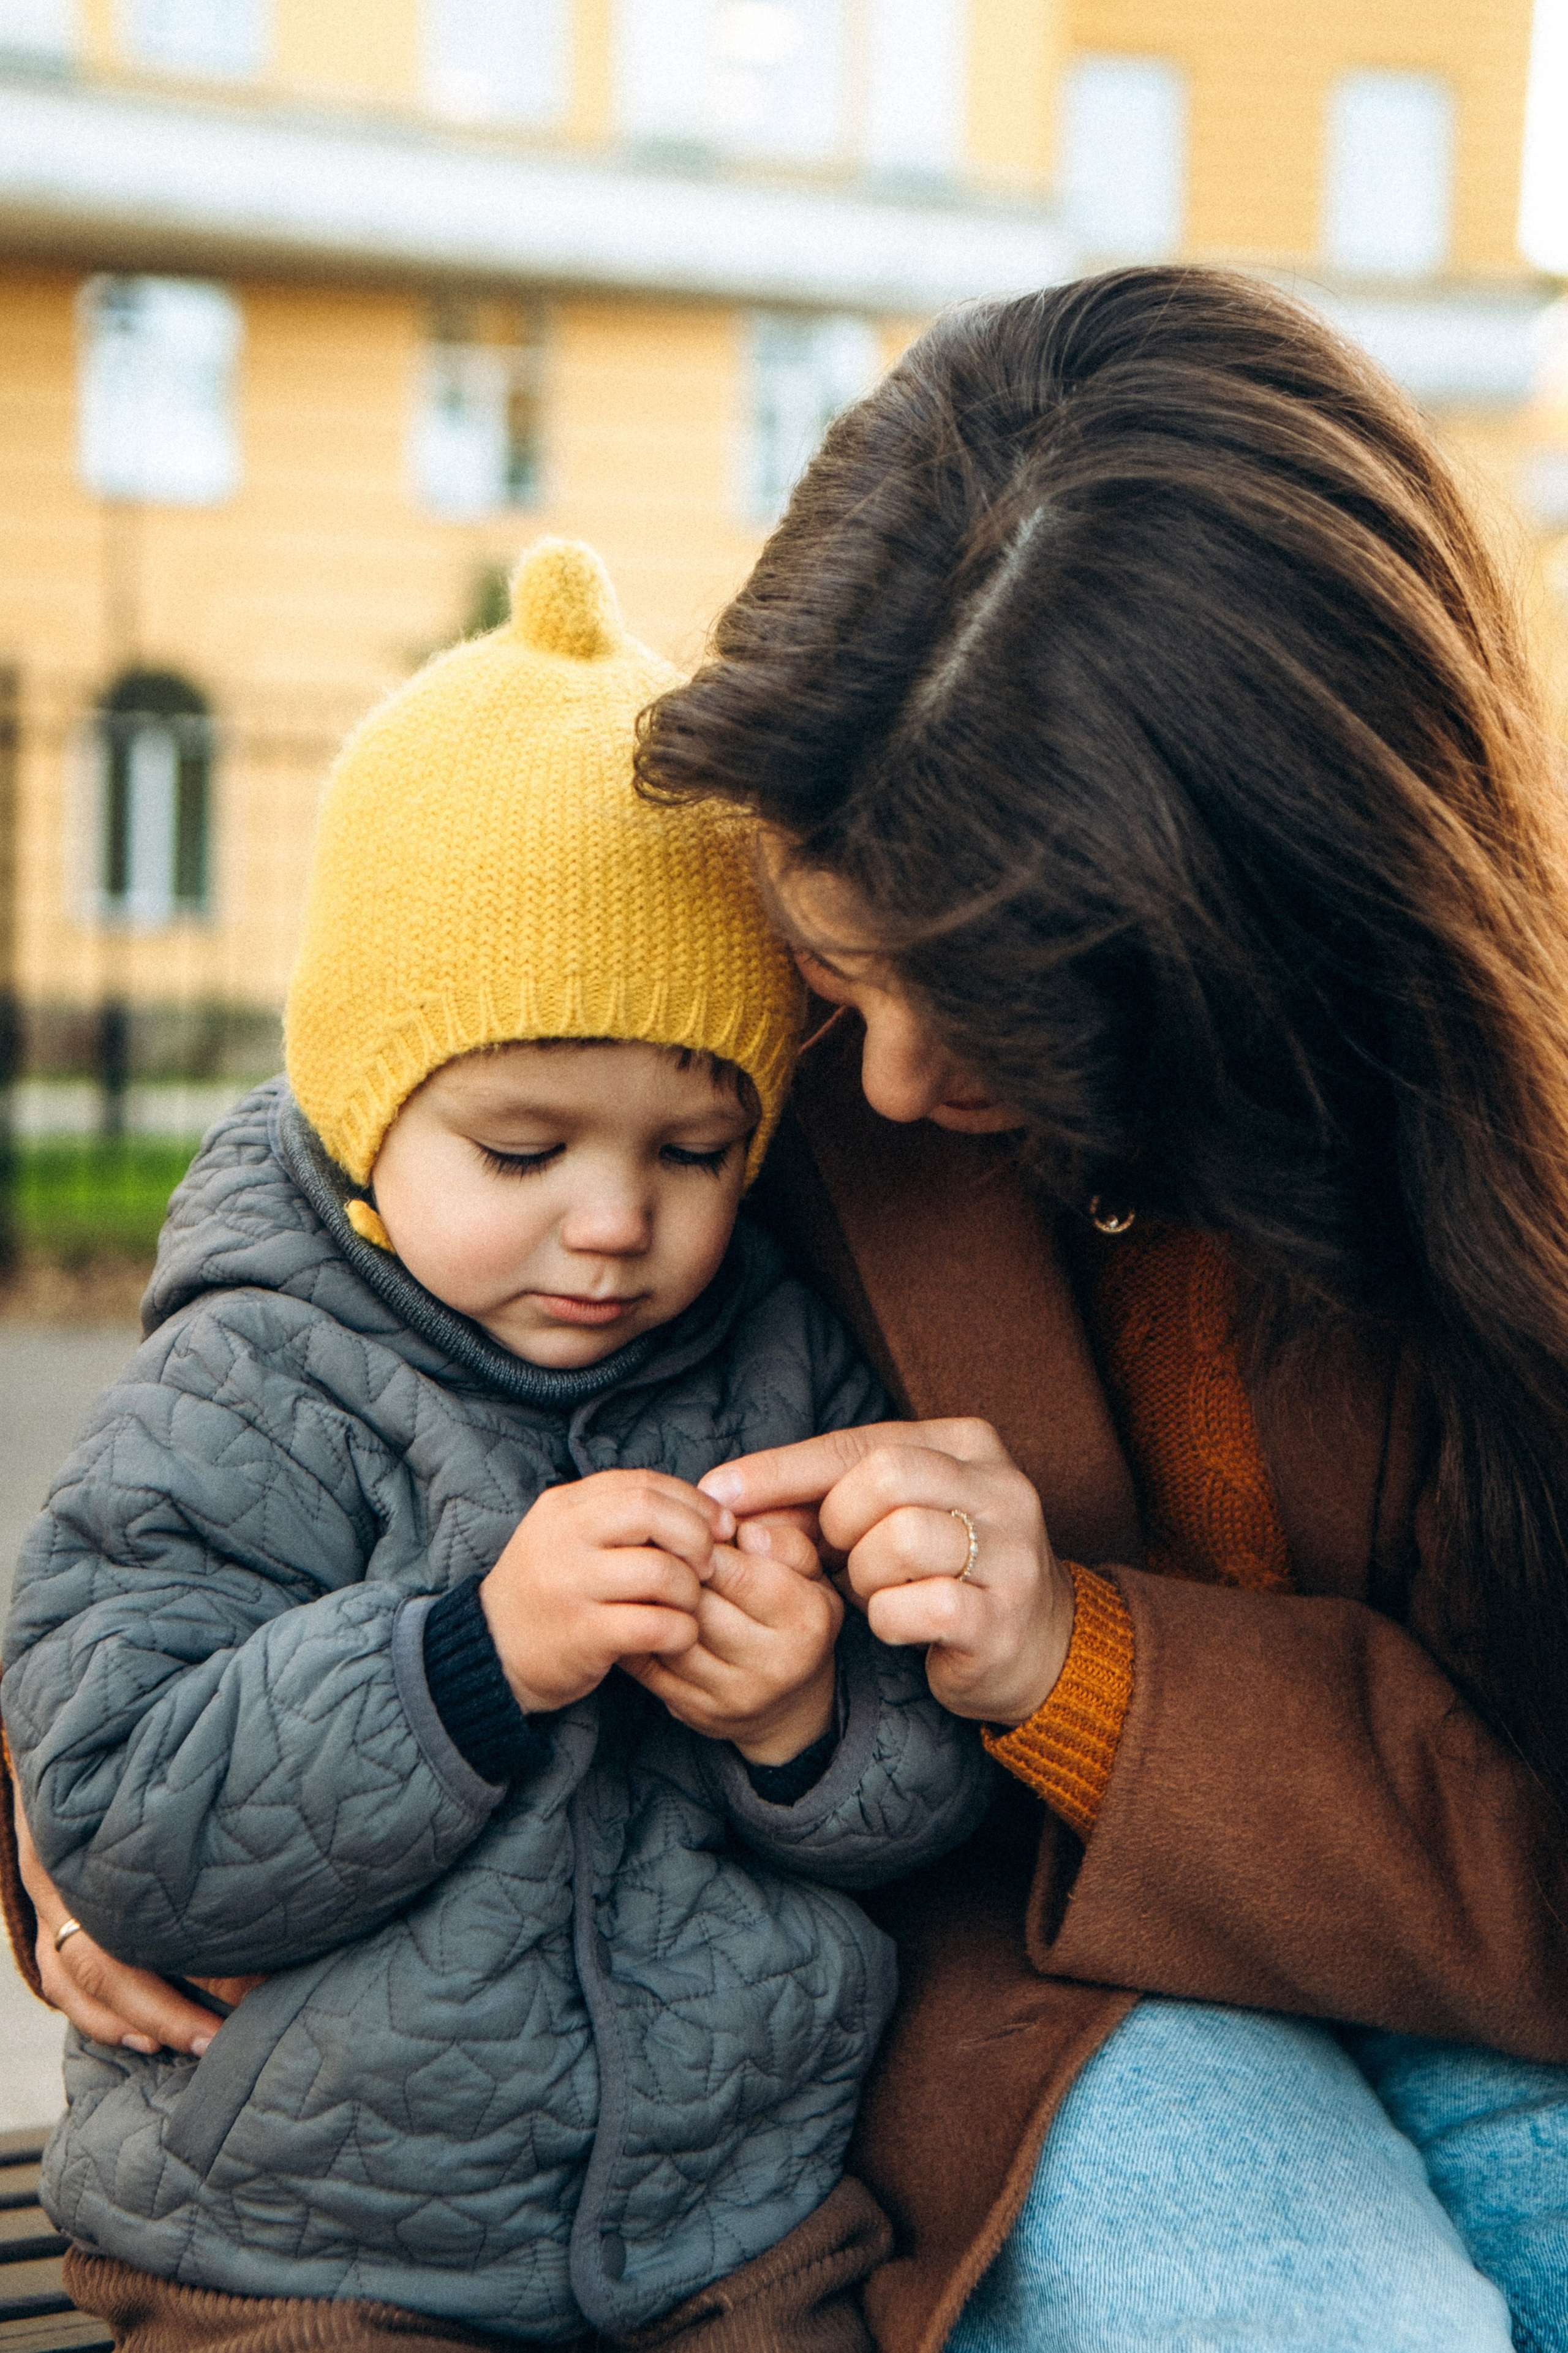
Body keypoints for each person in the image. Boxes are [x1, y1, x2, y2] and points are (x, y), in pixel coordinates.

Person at [627, 269, 1568, 2351]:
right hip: (1001, 1994)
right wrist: (89, 1791)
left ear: (1274, 955)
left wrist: (1083, 1656)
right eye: (839, 968)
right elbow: (332, 1264)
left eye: (1004, 1022)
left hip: (1482, 1966)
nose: (881, 1085)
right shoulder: (709, 980)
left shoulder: (1498, 1154)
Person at [0, 538, 992, 2353]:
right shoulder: (252, 1384)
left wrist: (805, 1723)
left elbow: (935, 1783)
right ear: (370, 1109)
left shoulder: (784, 1357)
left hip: (732, 2223)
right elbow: (123, 1802)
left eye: (691, 1150)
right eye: (526, 1153)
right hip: (306, 2242)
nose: (615, 1221)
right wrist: (468, 1658)